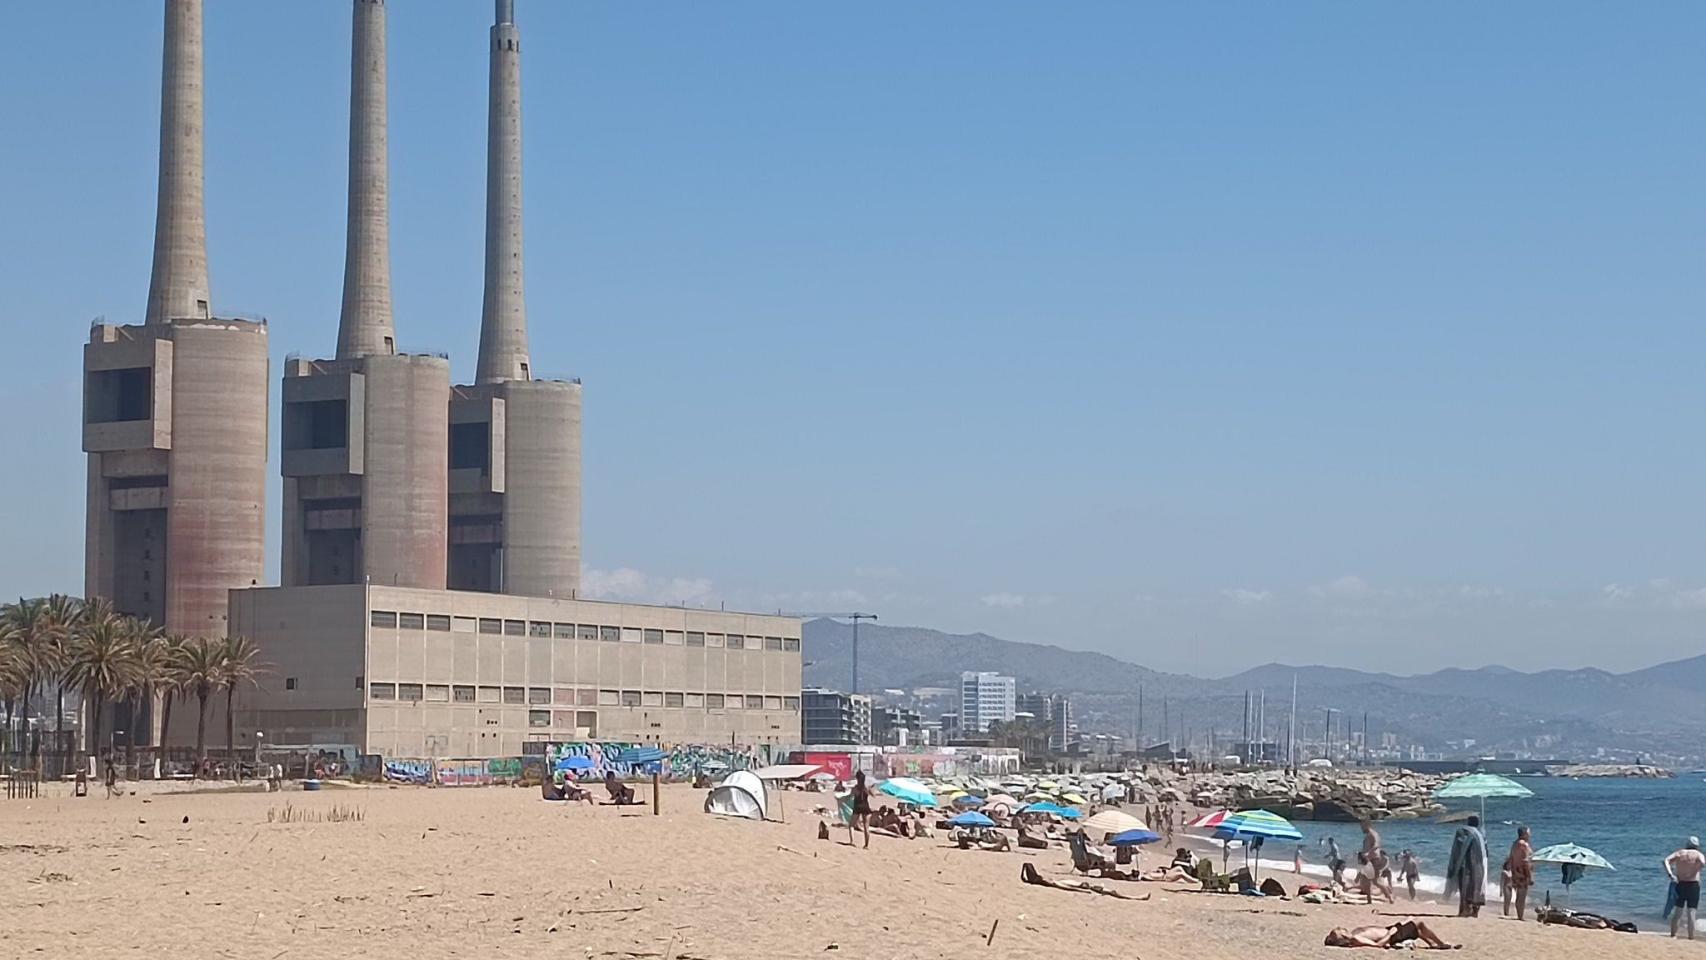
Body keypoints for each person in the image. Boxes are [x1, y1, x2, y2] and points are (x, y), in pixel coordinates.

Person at [1444, 815, 1488, 918]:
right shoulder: (1480, 835)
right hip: (1480, 866)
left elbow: (1458, 849)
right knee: (1477, 886)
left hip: (1465, 865)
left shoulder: (1464, 832)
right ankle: (1474, 910)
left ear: (1468, 822)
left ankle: (1465, 910)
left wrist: (1455, 865)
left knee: (1465, 887)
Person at [1665, 836, 1705, 940]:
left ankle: (1673, 935)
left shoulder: (1680, 853)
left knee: (1678, 911)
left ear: (1687, 844)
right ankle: (1691, 937)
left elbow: (1666, 860)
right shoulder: (1698, 854)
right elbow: (1703, 863)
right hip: (1693, 884)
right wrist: (1695, 870)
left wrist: (1670, 874)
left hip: (1681, 883)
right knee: (1691, 912)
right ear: (1697, 846)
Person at [1324, 920, 1460, 950]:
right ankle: (1441, 944)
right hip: (1391, 935)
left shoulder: (1353, 933)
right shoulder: (1355, 938)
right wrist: (1390, 933)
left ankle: (1431, 944)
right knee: (1419, 923)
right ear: (1340, 939)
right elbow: (1378, 945)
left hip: (1389, 930)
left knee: (1416, 931)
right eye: (1336, 931)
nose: (1339, 928)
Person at [1361, 820, 1394, 903]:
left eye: (1362, 826)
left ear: (1367, 825)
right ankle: (1370, 899)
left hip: (1373, 859)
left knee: (1374, 880)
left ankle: (1389, 896)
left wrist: (1368, 853)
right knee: (1367, 879)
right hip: (1368, 859)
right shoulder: (1368, 835)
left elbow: (1376, 845)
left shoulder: (1373, 834)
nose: (1361, 828)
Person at [1506, 826, 1534, 920]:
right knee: (1522, 894)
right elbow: (1525, 860)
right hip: (1522, 871)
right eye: (1529, 832)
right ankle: (1520, 916)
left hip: (1516, 870)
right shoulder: (1523, 845)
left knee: (1519, 894)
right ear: (1525, 833)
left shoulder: (1515, 844)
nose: (1530, 834)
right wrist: (1530, 876)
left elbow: (1511, 858)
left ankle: (1520, 915)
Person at [848, 771, 872, 849]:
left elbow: (850, 796)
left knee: (851, 825)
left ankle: (852, 841)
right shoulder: (866, 788)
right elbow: (873, 794)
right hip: (866, 807)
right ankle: (866, 845)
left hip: (857, 806)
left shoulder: (855, 788)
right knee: (866, 827)